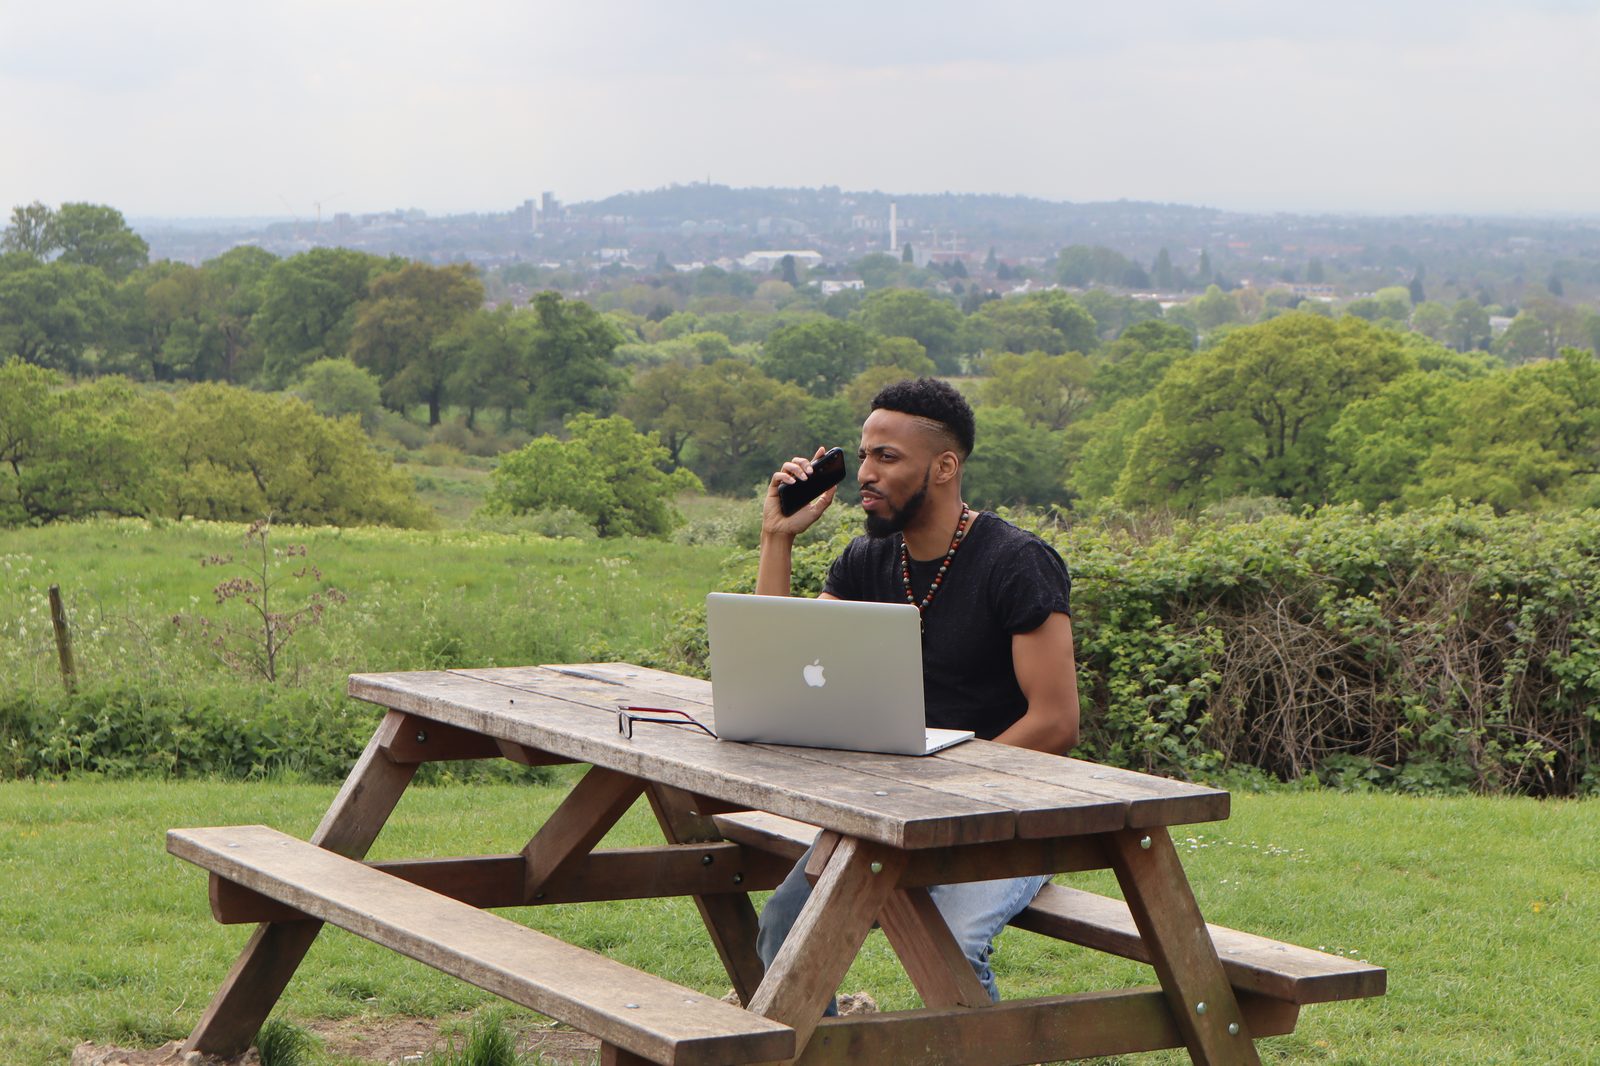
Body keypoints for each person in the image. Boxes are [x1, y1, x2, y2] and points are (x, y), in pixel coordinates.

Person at [753, 376, 1080, 1004]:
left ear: (944, 467)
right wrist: (777, 536)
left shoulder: (1016, 562)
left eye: (887, 457)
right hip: (895, 810)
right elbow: (784, 665)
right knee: (784, 925)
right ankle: (818, 1043)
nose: (865, 474)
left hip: (1011, 813)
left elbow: (1056, 722)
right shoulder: (867, 561)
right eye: (863, 455)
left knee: (948, 945)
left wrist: (936, 790)